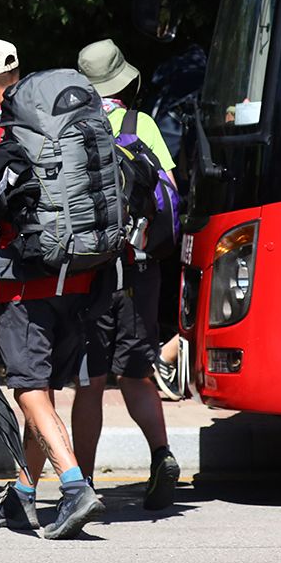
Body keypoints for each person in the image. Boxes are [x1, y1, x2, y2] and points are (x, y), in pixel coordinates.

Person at [0, 38, 104, 540]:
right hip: (82, 271)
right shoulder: (62, 118)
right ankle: (22, 494)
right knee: (42, 390)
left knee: (27, 389)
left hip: (26, 280)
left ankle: (74, 486)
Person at [73, 38, 179, 510]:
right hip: (141, 268)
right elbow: (171, 191)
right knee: (137, 373)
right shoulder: (142, 125)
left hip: (90, 273)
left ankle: (85, 483)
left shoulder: (74, 129)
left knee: (91, 380)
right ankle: (161, 455)